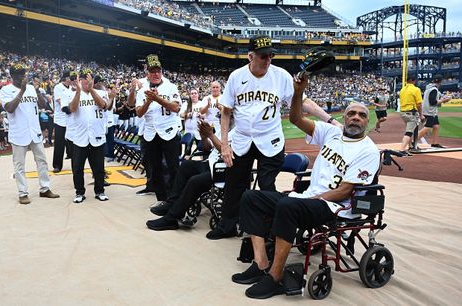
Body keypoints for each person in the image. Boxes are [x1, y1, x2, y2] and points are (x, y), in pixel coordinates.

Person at [233, 75, 380, 299]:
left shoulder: (368, 150)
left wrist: (308, 200)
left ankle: (275, 277)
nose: (356, 118)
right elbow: (295, 118)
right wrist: (298, 92)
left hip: (334, 206)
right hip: (309, 198)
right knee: (251, 197)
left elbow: (344, 191)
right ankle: (261, 263)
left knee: (288, 206)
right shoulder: (331, 132)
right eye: (351, 113)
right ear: (344, 117)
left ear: (367, 122)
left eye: (362, 115)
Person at [209, 35, 337, 240]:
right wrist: (224, 144)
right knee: (234, 183)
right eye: (263, 56)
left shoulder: (281, 75)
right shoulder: (236, 76)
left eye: (271, 55)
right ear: (250, 56)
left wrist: (330, 120)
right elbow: (226, 112)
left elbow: (305, 102)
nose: (268, 60)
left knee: (267, 185)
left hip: (271, 139)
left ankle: (270, 229)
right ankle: (227, 226)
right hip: (242, 139)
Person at [146, 120, 223, 230]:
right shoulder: (222, 129)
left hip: (223, 171)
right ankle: (171, 203)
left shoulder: (239, 132)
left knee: (194, 181)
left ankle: (172, 218)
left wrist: (211, 135)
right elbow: (208, 149)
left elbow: (227, 152)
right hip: (211, 164)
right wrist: (204, 137)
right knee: (186, 165)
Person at [0, 63, 59, 204]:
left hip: (35, 131)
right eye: (20, 74)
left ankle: (45, 189)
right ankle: (22, 193)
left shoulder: (31, 88)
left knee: (42, 161)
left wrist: (37, 90)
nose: (23, 76)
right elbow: (10, 108)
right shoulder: (6, 90)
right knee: (19, 165)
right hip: (18, 132)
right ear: (13, 76)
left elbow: (43, 105)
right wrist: (22, 91)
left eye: (24, 73)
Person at [133, 54, 182, 203]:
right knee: (155, 169)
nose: (156, 74)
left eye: (158, 71)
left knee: (173, 167)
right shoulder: (142, 91)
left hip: (169, 132)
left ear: (162, 72)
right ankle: (161, 199)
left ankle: (175, 199)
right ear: (147, 73)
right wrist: (149, 101)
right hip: (151, 133)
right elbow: (139, 113)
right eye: (153, 71)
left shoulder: (170, 86)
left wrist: (158, 99)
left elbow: (176, 108)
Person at [66, 69, 113, 203]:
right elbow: (73, 109)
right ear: (79, 81)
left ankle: (100, 191)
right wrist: (79, 92)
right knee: (78, 168)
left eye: (89, 81)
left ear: (92, 80)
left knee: (98, 168)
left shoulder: (102, 93)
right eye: (84, 81)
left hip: (97, 136)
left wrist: (92, 90)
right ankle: (79, 192)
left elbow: (103, 105)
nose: (86, 83)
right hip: (79, 137)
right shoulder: (73, 94)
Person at [417, 75, 452, 148]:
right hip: (430, 111)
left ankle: (434, 143)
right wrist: (443, 100)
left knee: (436, 126)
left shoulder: (430, 88)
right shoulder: (434, 89)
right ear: (440, 81)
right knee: (427, 127)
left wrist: (442, 99)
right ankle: (413, 141)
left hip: (430, 111)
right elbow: (433, 102)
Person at [398, 75, 423, 155]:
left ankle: (411, 146)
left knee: (410, 130)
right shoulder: (416, 89)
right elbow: (419, 104)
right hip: (411, 113)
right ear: (413, 80)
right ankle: (402, 150)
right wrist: (421, 114)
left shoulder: (402, 90)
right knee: (409, 132)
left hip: (403, 113)